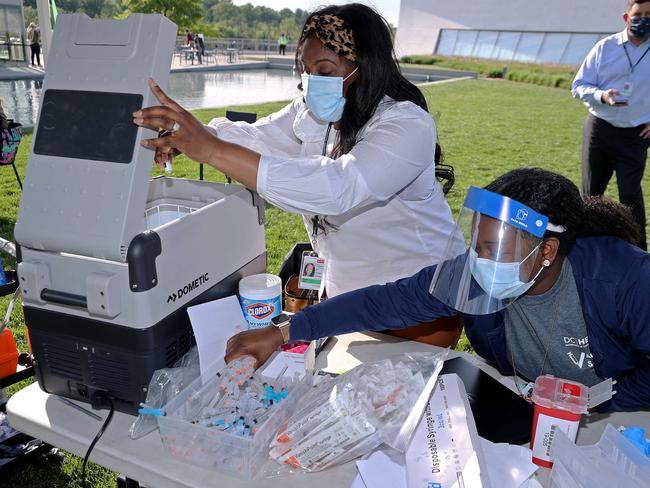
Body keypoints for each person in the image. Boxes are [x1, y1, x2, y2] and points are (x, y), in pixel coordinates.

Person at [224, 168, 650, 413]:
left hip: (614, 424)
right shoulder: (475, 274)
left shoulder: (625, 281)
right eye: (477, 244)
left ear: (547, 250)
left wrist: (595, 404)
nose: (478, 260)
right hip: (526, 413)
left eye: (494, 248)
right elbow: (383, 302)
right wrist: (283, 332)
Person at [134, 6, 460, 303]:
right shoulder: (310, 112)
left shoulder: (407, 125)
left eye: (326, 70)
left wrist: (211, 149)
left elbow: (337, 188)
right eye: (306, 69)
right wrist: (199, 136)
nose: (312, 82)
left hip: (421, 301)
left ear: (365, 65)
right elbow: (258, 135)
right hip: (350, 297)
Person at [572, 0, 650, 251]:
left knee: (631, 198)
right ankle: (582, 248)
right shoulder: (605, 47)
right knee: (591, 194)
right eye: (638, 14)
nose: (643, 19)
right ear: (627, 17)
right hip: (600, 129)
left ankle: (639, 255)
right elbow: (578, 86)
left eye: (649, 14)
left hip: (636, 134)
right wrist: (602, 95)